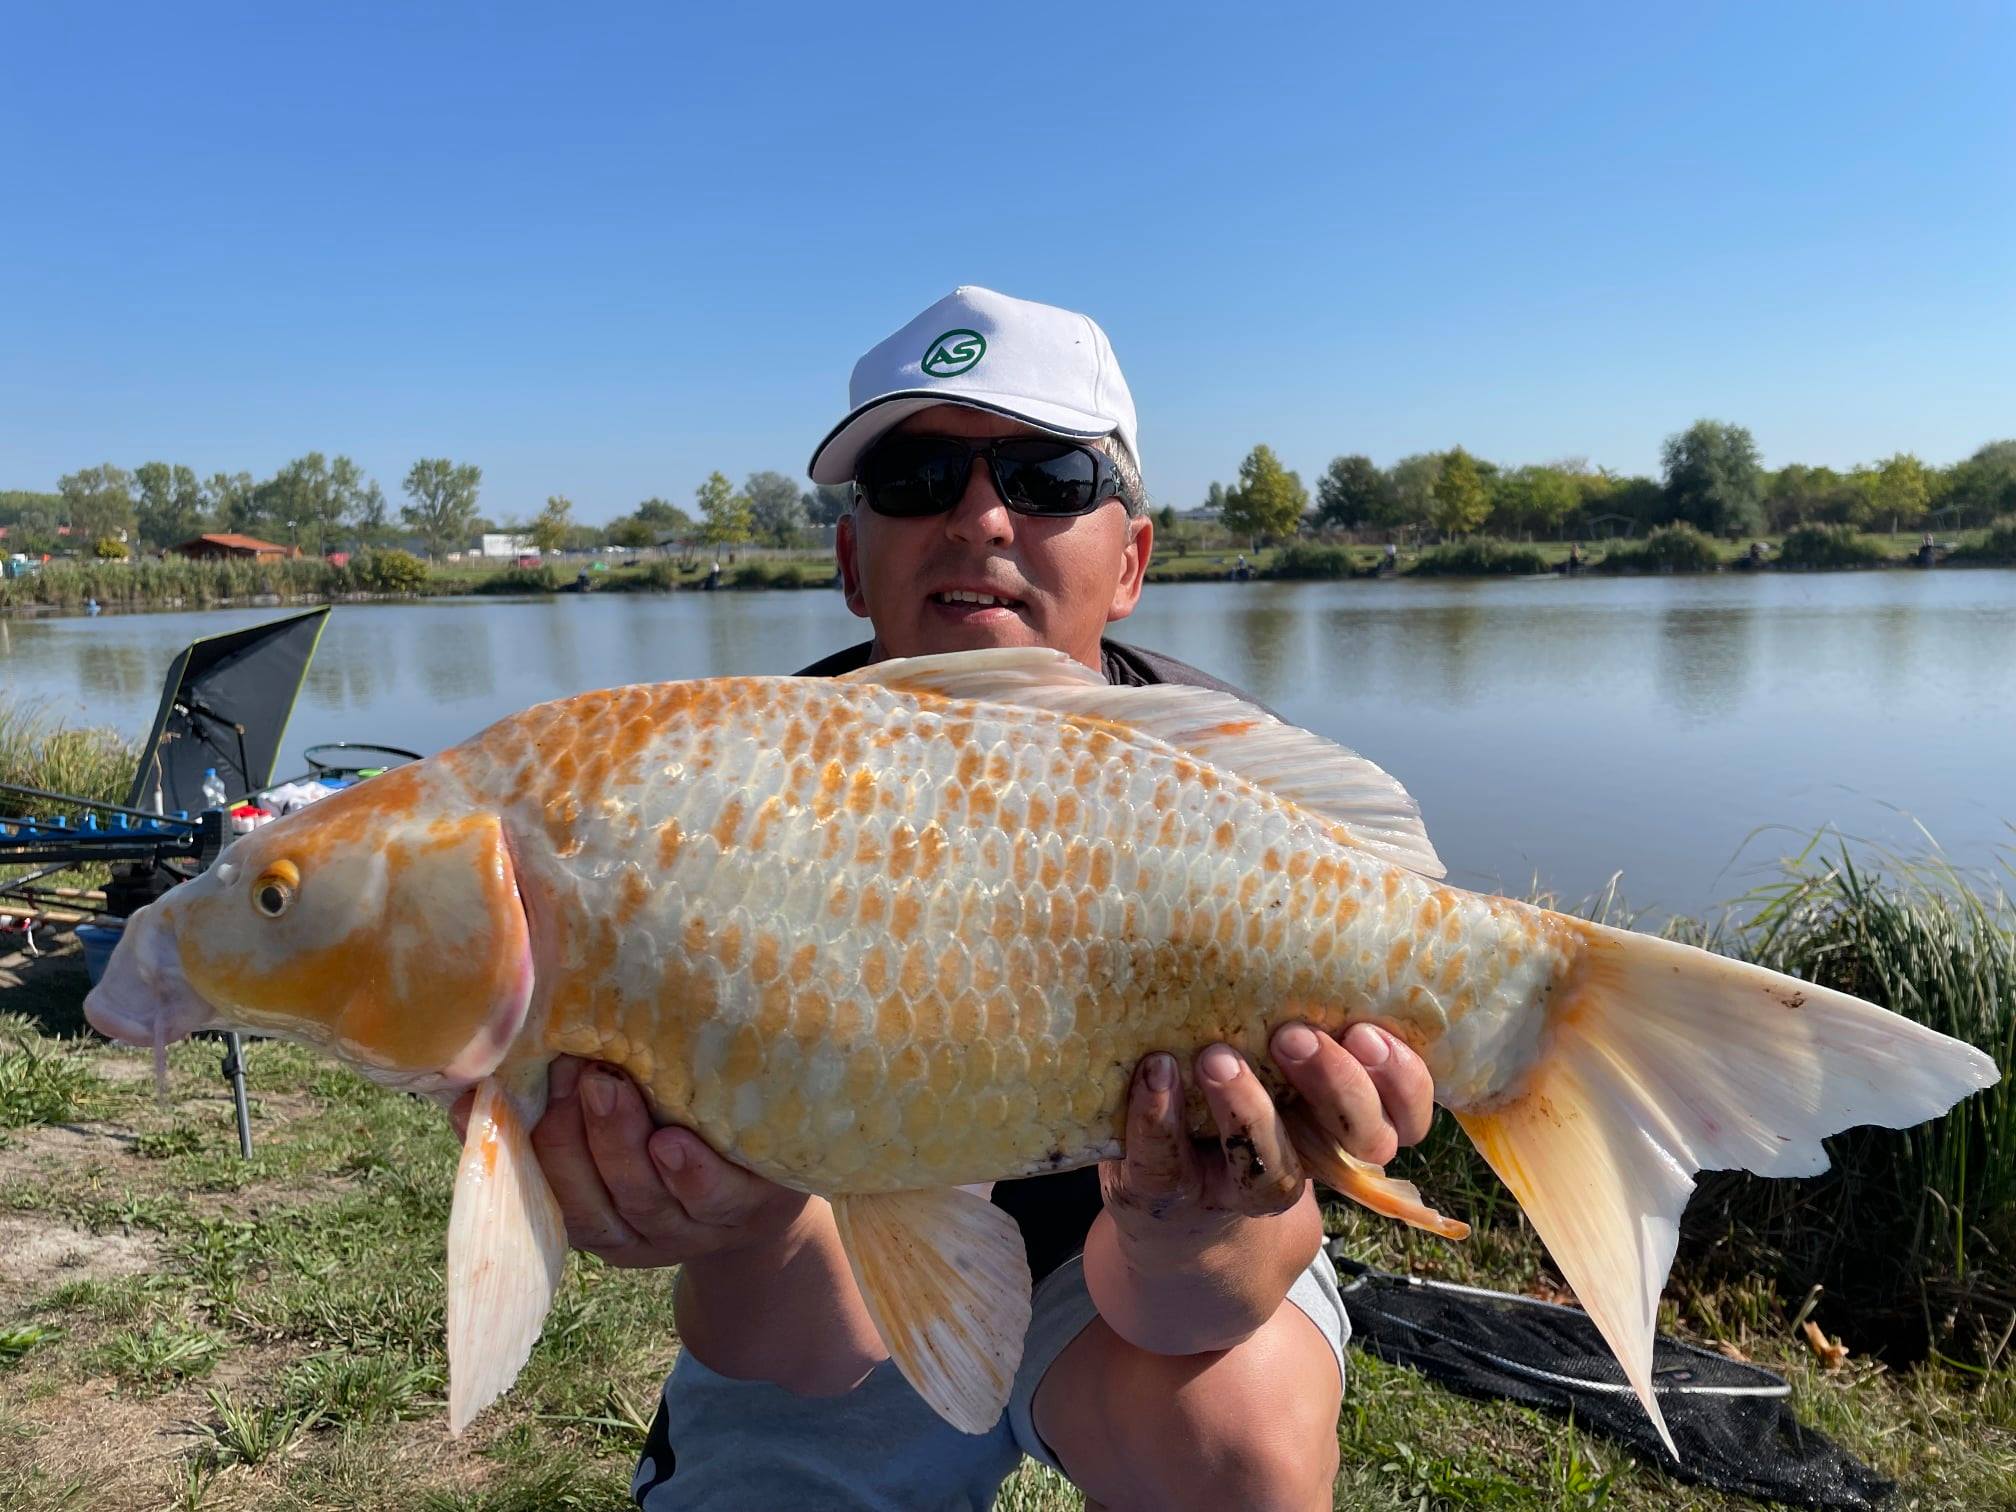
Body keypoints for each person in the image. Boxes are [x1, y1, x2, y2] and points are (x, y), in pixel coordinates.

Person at [456, 287, 1438, 1510]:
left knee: (1239, 1448)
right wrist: (737, 1219)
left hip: (1142, 1276)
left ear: (1131, 560)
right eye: (917, 475)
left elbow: (1202, 1309)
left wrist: (1189, 1215)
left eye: (1049, 476)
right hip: (851, 1255)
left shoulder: (1235, 791)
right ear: (849, 561)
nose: (980, 516)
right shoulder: (713, 801)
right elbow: (807, 1350)